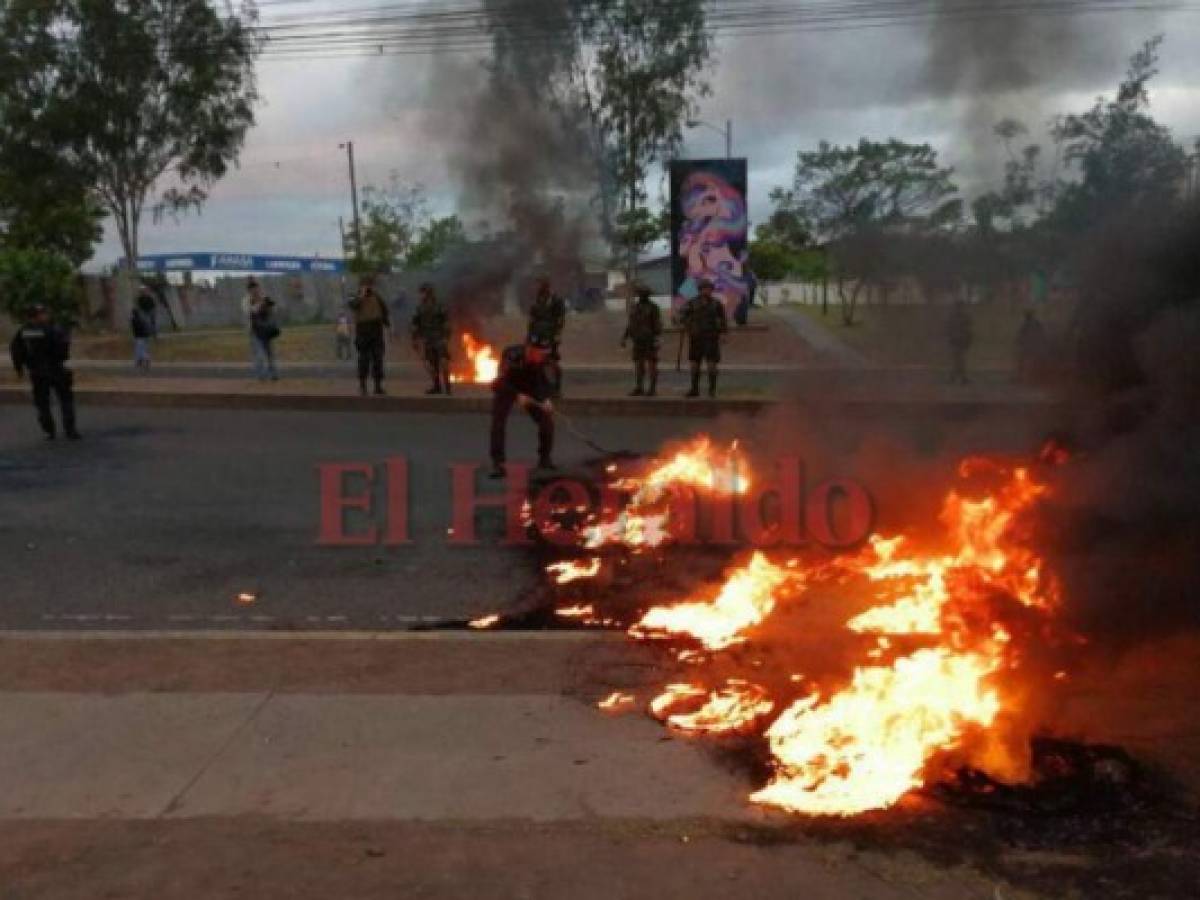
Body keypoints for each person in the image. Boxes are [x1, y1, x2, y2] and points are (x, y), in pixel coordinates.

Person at [489, 332, 556, 479]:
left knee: (547, 423)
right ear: (529, 349)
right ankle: (498, 463)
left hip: (531, 388)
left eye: (544, 353)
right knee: (498, 424)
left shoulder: (546, 361)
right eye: (538, 352)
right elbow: (499, 382)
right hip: (507, 388)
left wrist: (546, 399)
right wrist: (516, 395)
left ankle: (545, 459)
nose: (541, 356)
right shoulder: (511, 355)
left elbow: (548, 383)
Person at [9, 304, 80, 440]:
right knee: (64, 400)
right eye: (43, 314)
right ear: (36, 316)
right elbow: (63, 349)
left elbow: (16, 351)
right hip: (55, 369)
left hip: (38, 372)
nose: (46, 316)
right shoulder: (53, 329)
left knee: (43, 403)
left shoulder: (25, 331)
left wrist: (19, 368)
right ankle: (69, 430)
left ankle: (49, 431)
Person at [678, 278, 728, 398]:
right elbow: (682, 316)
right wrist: (687, 324)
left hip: (711, 338)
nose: (706, 291)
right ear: (699, 290)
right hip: (696, 338)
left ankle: (712, 390)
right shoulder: (692, 303)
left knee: (712, 366)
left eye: (709, 288)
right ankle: (694, 389)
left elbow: (723, 321)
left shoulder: (717, 304)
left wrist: (723, 334)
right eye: (704, 288)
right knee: (694, 365)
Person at [349, 275, 391, 396]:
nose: (368, 287)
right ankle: (363, 385)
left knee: (378, 358)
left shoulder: (377, 296)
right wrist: (361, 295)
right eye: (366, 284)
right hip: (363, 330)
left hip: (376, 330)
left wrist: (389, 326)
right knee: (364, 359)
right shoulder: (355, 295)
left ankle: (378, 386)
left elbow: (384, 311)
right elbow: (353, 305)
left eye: (370, 284)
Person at [410, 282, 452, 395]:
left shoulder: (439, 306)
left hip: (438, 338)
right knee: (432, 364)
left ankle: (447, 386)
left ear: (429, 293)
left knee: (443, 362)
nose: (421, 295)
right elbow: (415, 324)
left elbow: (446, 322)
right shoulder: (420, 307)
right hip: (428, 339)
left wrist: (446, 337)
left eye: (423, 292)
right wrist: (414, 339)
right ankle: (437, 386)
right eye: (422, 292)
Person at [620, 285, 663, 397]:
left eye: (644, 293)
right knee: (639, 365)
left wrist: (657, 339)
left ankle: (652, 389)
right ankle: (639, 387)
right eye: (640, 293)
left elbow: (657, 325)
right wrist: (624, 337)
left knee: (652, 364)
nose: (642, 295)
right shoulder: (634, 308)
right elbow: (630, 324)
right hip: (638, 340)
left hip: (649, 339)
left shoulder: (653, 308)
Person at [528, 277, 566, 396]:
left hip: (550, 336)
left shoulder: (556, 300)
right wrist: (529, 337)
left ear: (546, 286)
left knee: (551, 362)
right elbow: (532, 320)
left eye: (539, 285)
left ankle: (556, 388)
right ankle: (540, 387)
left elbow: (560, 319)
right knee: (535, 363)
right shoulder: (537, 301)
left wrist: (557, 335)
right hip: (536, 336)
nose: (536, 288)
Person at [250, 297, 281, 381]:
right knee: (260, 356)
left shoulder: (270, 314)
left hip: (267, 337)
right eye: (269, 305)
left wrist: (274, 330)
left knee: (270, 355)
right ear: (264, 305)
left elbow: (276, 329)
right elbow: (258, 326)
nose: (270, 307)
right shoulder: (257, 313)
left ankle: (273, 374)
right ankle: (261, 375)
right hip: (258, 336)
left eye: (270, 306)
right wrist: (269, 327)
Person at [947, 298, 973, 385]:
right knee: (959, 359)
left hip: (960, 340)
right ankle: (960, 377)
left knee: (959, 359)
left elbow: (968, 329)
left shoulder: (962, 317)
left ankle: (956, 377)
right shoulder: (959, 317)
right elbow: (949, 329)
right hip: (957, 340)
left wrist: (968, 339)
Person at [1015, 308, 1046, 383]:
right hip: (1032, 346)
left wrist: (1019, 342)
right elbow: (1042, 333)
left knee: (1025, 361)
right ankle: (1024, 377)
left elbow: (1020, 335)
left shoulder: (1027, 324)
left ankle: (1024, 377)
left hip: (1031, 346)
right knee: (1026, 361)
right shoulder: (1036, 323)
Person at [131, 289, 157, 371]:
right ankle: (139, 361)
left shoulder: (135, 320)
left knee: (139, 348)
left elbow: (152, 308)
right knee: (141, 348)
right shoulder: (141, 319)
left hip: (139, 336)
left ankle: (145, 359)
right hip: (144, 335)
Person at [241, 278, 263, 373]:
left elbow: (271, 308)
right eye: (254, 289)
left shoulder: (262, 297)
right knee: (257, 353)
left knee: (268, 352)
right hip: (253, 329)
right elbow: (248, 312)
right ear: (250, 290)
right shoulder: (246, 300)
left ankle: (271, 372)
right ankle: (259, 373)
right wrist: (258, 305)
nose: (256, 290)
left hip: (265, 329)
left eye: (257, 288)